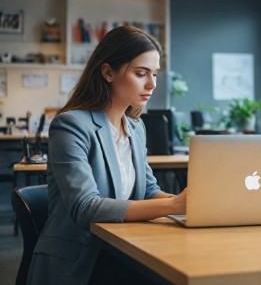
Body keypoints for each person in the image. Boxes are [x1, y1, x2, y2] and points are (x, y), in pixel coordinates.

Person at [27, 25, 187, 284]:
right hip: (81, 260)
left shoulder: (135, 127)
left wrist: (189, 203)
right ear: (107, 72)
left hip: (126, 249)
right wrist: (173, 206)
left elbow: (147, 190)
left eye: (155, 74)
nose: (152, 84)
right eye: (140, 73)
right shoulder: (71, 124)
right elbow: (86, 207)